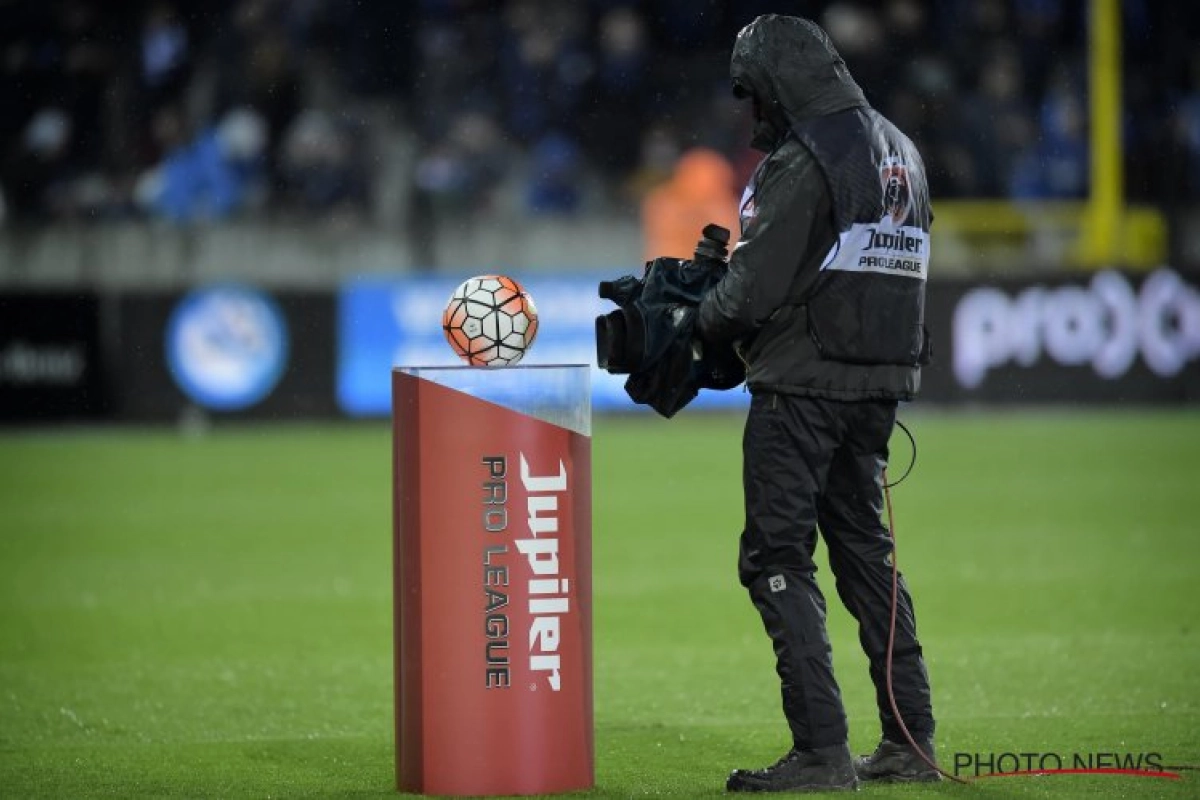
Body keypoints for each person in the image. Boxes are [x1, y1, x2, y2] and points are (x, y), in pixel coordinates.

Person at [696, 15, 938, 793]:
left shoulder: (806, 159)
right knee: (868, 555)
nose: (751, 111)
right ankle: (911, 741)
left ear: (776, 82)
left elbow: (751, 292)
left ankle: (821, 751)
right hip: (880, 383)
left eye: (752, 92)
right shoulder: (901, 148)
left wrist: (693, 318)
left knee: (776, 559)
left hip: (803, 384)